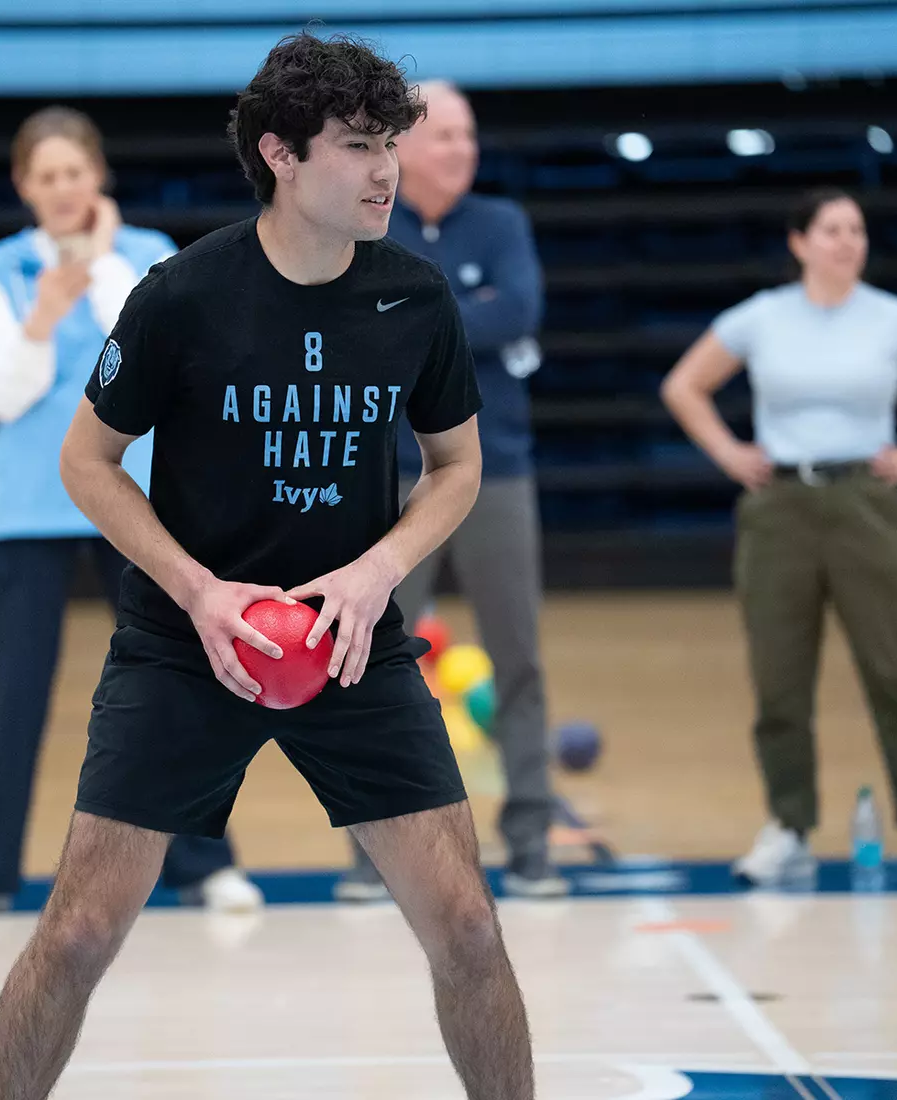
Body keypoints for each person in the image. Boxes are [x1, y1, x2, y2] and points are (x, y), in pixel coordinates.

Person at [0, 35, 536, 1100]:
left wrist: (377, 570)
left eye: (390, 144)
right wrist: (198, 590)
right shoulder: (181, 295)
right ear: (280, 153)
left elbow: (456, 466)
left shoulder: (415, 298)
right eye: (358, 146)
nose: (386, 170)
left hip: (352, 642)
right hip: (186, 645)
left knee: (467, 924)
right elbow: (87, 462)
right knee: (79, 931)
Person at [0, 106, 262, 924]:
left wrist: (105, 263)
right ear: (23, 186)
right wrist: (45, 312)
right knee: (16, 696)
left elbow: (166, 359)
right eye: (45, 176)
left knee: (175, 687)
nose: (61, 189)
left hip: (133, 505)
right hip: (22, 512)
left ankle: (206, 865)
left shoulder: (147, 257)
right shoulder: (2, 269)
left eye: (73, 173)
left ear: (98, 177)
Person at [661, 187, 897, 889]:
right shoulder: (761, 317)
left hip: (866, 504)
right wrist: (728, 452)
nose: (847, 241)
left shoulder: (893, 319)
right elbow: (683, 386)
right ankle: (787, 828)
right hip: (780, 506)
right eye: (831, 229)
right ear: (799, 243)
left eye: (856, 230)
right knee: (779, 679)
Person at [335, 79, 564, 902]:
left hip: (494, 470)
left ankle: (531, 844)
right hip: (387, 476)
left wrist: (412, 318)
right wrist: (462, 312)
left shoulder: (501, 223)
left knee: (518, 658)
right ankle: (373, 855)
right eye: (446, 136)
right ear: (402, 146)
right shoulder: (367, 223)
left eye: (468, 135)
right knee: (371, 659)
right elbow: (353, 323)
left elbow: (520, 311)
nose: (463, 149)